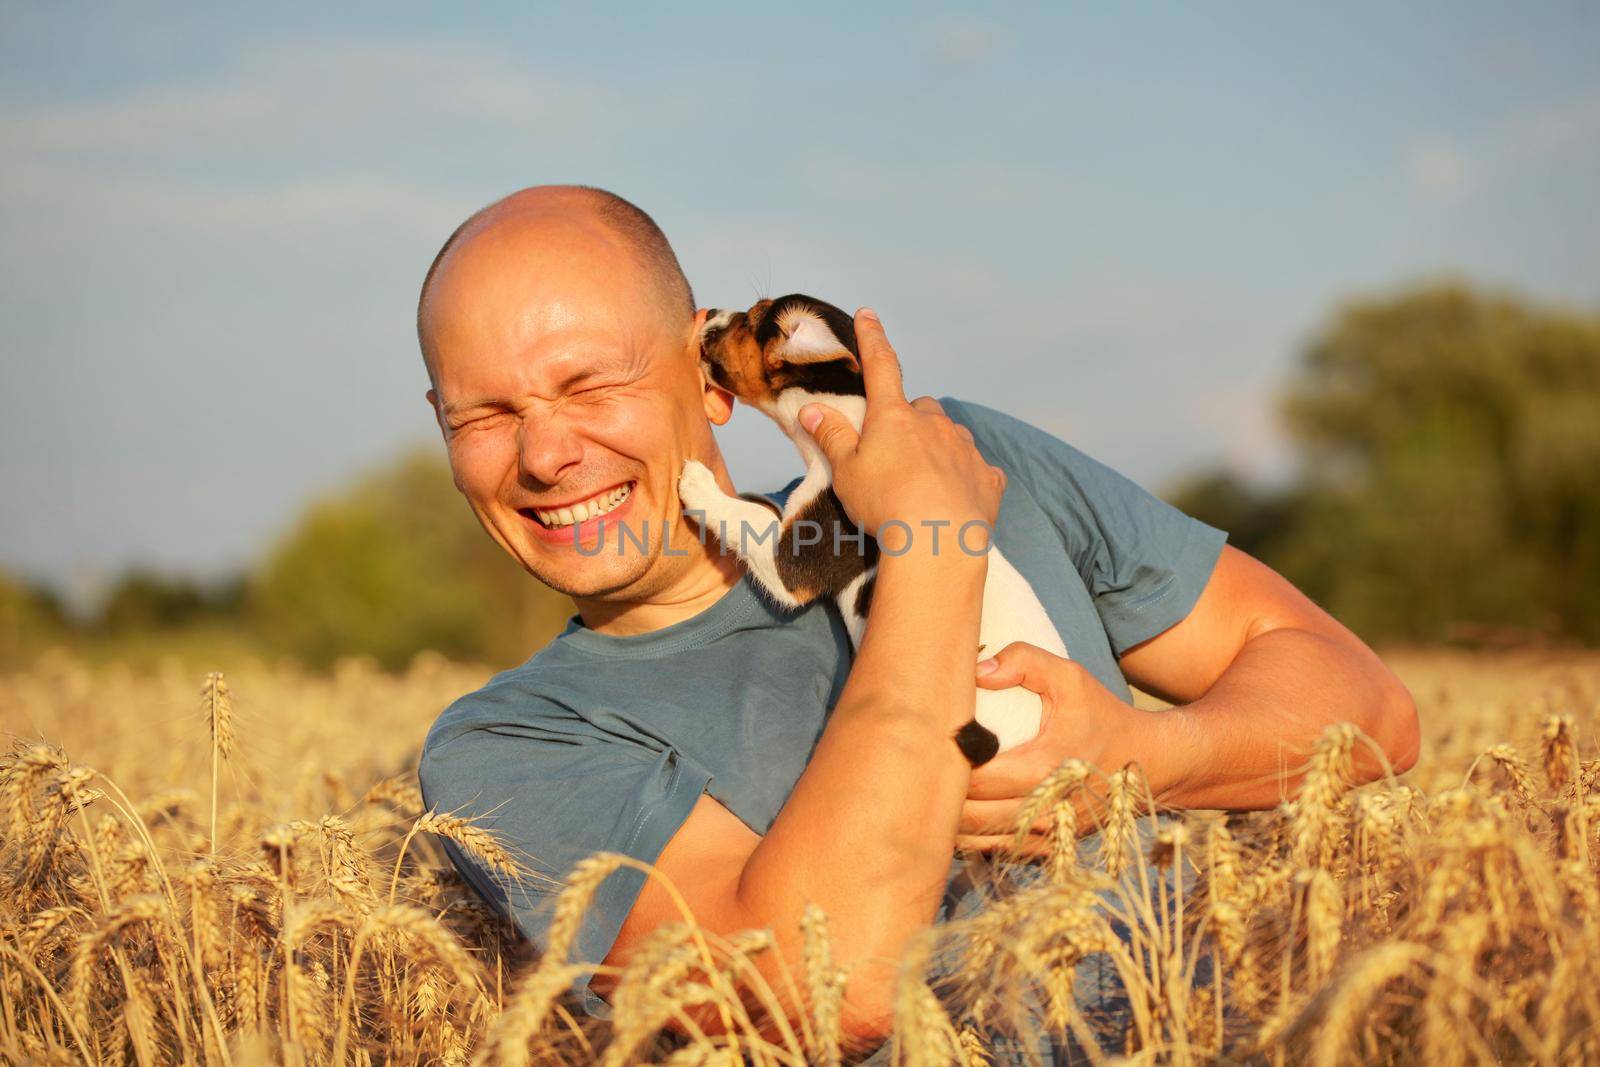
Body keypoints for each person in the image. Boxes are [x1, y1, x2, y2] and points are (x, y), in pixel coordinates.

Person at [414, 184, 1420, 1059]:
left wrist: (1150, 756)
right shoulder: (509, 746)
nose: (544, 454)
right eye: (484, 416)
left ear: (709, 376)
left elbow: (1370, 707)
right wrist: (934, 542)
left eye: (590, 383)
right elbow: (822, 991)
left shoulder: (974, 453)